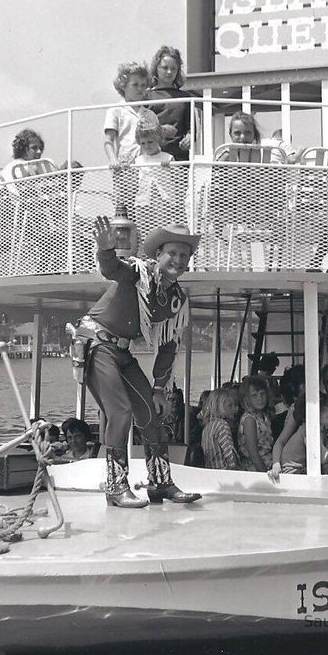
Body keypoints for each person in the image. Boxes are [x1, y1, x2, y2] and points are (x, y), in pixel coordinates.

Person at [77, 216, 202, 508]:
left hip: (122, 352)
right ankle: (116, 488)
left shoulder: (176, 299)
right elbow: (111, 269)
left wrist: (159, 388)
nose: (178, 260)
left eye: (184, 256)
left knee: (150, 414)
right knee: (120, 413)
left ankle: (160, 484)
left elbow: (169, 345)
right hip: (97, 343)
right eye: (172, 253)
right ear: (158, 254)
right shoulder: (138, 272)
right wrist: (105, 249)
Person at [269, 362, 328, 480]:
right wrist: (276, 465)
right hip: (304, 468)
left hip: (323, 461)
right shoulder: (305, 410)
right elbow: (281, 442)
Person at [104, 61, 150, 215]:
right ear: (123, 85)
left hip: (145, 164)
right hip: (125, 165)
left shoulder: (148, 112)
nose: (140, 89)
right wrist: (112, 159)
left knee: (144, 210)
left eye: (143, 85)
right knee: (123, 210)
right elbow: (108, 141)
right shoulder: (116, 110)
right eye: (135, 85)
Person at [133, 110, 178, 241]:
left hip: (163, 201)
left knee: (162, 231)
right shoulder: (138, 160)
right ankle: (147, 258)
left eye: (150, 142)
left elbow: (178, 179)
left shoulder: (167, 158)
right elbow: (133, 181)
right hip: (143, 202)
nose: (147, 146)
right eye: (143, 143)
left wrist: (170, 168)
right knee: (145, 233)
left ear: (158, 139)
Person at [146, 45, 194, 161]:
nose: (169, 72)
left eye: (173, 68)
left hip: (179, 157)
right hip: (153, 155)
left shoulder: (185, 97)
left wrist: (190, 136)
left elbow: (191, 126)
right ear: (156, 68)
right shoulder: (147, 96)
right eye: (165, 67)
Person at [274, 402, 328, 475]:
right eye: (321, 409)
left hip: (304, 467)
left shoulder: (320, 429)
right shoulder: (309, 429)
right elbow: (323, 458)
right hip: (294, 472)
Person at [237, 375, 274, 472]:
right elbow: (254, 455)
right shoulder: (249, 420)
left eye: (262, 394)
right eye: (254, 395)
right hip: (256, 469)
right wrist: (265, 475)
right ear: (246, 398)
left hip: (269, 464)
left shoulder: (263, 416)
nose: (260, 398)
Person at [201, 388, 241, 470]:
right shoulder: (222, 425)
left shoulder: (208, 426)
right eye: (230, 405)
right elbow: (230, 456)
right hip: (224, 473)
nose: (235, 409)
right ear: (219, 406)